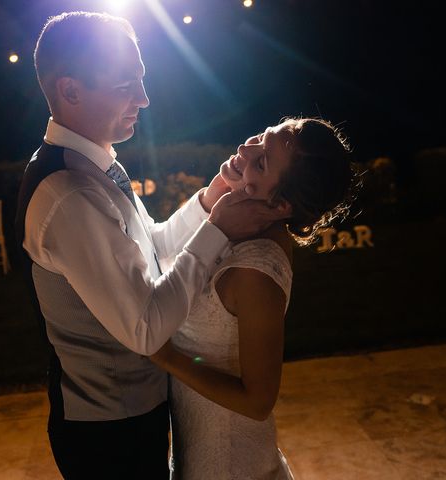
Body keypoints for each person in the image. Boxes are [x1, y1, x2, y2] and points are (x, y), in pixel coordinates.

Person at [14, 11, 283, 480]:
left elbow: (152, 251)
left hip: (128, 416)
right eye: (125, 85)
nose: (144, 98)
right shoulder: (70, 192)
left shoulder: (90, 170)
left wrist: (209, 201)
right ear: (70, 90)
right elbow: (144, 328)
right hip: (108, 431)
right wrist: (217, 229)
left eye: (141, 80)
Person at [150, 117, 355, 479]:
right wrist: (214, 197)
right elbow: (164, 255)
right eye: (262, 138)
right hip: (198, 457)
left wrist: (163, 355)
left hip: (233, 466)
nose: (245, 149)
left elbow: (258, 401)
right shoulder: (232, 227)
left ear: (281, 206)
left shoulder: (255, 270)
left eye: (261, 162)